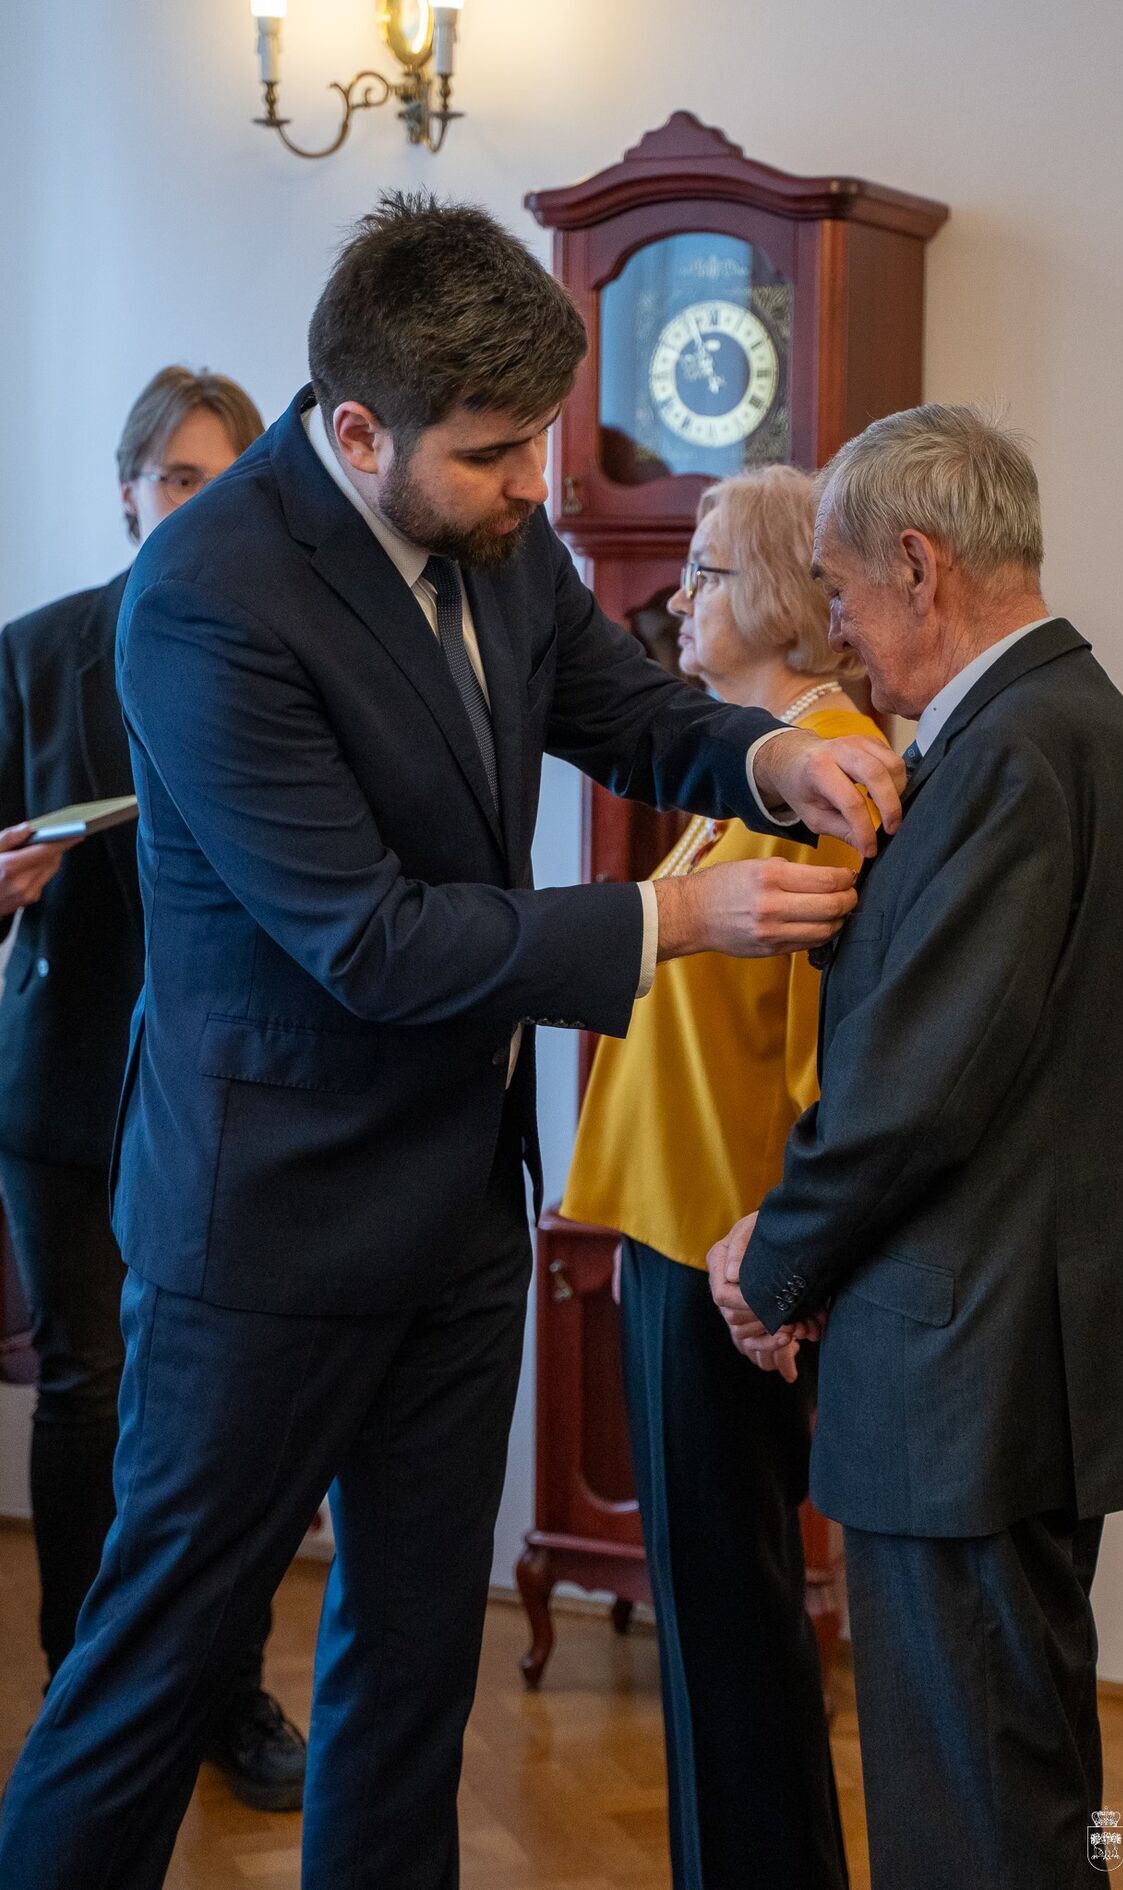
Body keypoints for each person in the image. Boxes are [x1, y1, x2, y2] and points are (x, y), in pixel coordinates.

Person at [0, 194, 905, 1890]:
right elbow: (368, 939)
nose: (531, 486)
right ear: (358, 432)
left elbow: (624, 708)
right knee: (148, 1674)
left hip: (462, 1214)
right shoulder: (204, 598)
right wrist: (671, 921)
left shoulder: (499, 533)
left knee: (413, 1671)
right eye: (494, 454)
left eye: (539, 443)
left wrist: (768, 760)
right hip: (262, 1234)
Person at [709, 405, 1123, 1890]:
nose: (840, 634)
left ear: (919, 565)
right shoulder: (1072, 732)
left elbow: (918, 1088)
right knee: (1012, 1790)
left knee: (978, 1819)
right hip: (1006, 1354)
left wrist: (775, 1263)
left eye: (844, 591)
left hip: (966, 1369)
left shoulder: (1012, 756)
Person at [562, 465, 886, 1890]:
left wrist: (786, 1253)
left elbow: (832, 1051)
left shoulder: (830, 768)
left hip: (728, 1252)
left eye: (704, 568)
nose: (678, 597)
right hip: (673, 1229)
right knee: (711, 1612)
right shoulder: (759, 760)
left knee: (731, 1611)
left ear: (777, 590)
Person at [0, 365, 309, 1812]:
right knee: (89, 1388)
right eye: (173, 479)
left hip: (232, 1088)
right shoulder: (30, 654)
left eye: (220, 479)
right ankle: (83, 1691)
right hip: (63, 1087)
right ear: (129, 494)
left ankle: (224, 1689)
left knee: (224, 1410)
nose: (194, 503)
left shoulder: (284, 650)